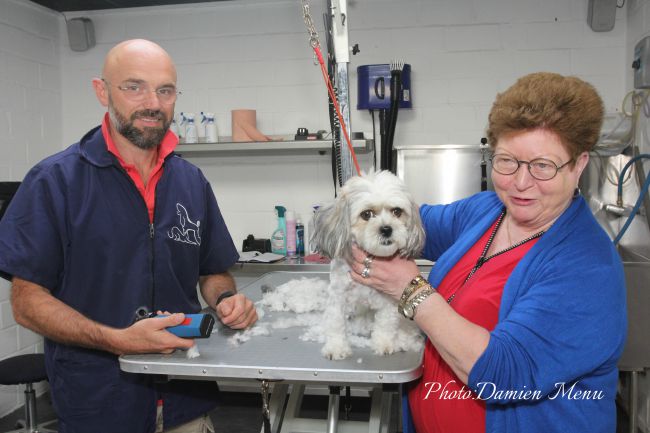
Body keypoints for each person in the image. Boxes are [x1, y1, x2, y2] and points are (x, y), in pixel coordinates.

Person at [0, 39, 258, 433]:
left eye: (165, 90)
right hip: (100, 403)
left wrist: (226, 300)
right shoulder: (55, 181)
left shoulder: (190, 181)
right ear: (102, 91)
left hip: (185, 397)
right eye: (134, 87)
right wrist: (117, 339)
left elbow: (212, 271)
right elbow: (27, 302)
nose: (152, 102)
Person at [348, 72, 627, 433]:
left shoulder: (587, 267)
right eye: (506, 161)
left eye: (543, 166)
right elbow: (415, 223)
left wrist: (411, 291)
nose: (521, 183)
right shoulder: (487, 211)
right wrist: (357, 211)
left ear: (579, 165)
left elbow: (504, 373)